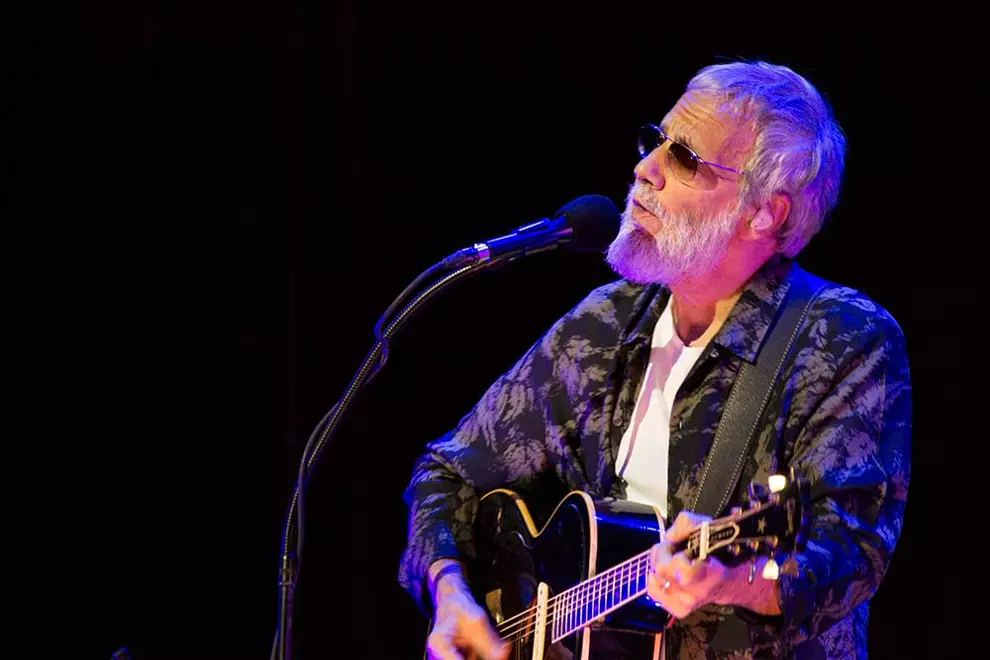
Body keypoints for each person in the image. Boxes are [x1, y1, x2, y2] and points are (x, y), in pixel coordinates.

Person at [397, 60, 912, 659]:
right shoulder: (606, 325)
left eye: (684, 159)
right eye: (655, 142)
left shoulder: (843, 338)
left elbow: (850, 551)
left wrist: (733, 578)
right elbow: (449, 472)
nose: (645, 170)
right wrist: (452, 591)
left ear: (763, 213)